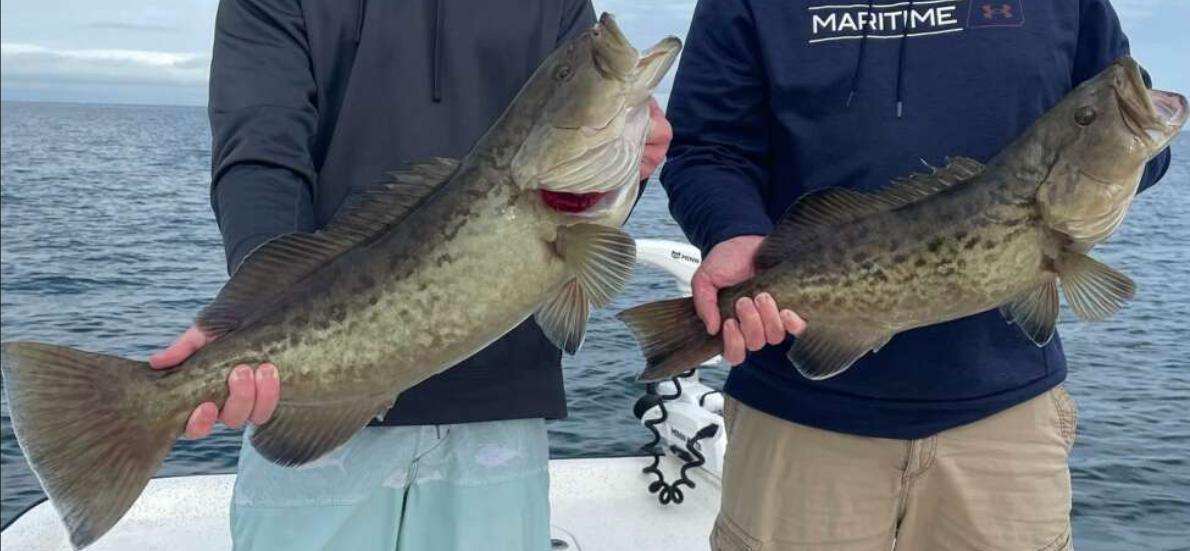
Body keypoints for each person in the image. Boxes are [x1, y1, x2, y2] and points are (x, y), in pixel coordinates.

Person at [147, 1, 671, 550]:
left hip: (501, 409)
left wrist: (623, 171)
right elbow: (261, 152)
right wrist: (255, 309)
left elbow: (566, 204)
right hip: (320, 418)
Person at [661, 0, 1173, 549]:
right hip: (800, 420)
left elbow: (1133, 139)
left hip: (1006, 429)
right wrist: (732, 229)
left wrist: (1092, 189)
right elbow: (706, 148)